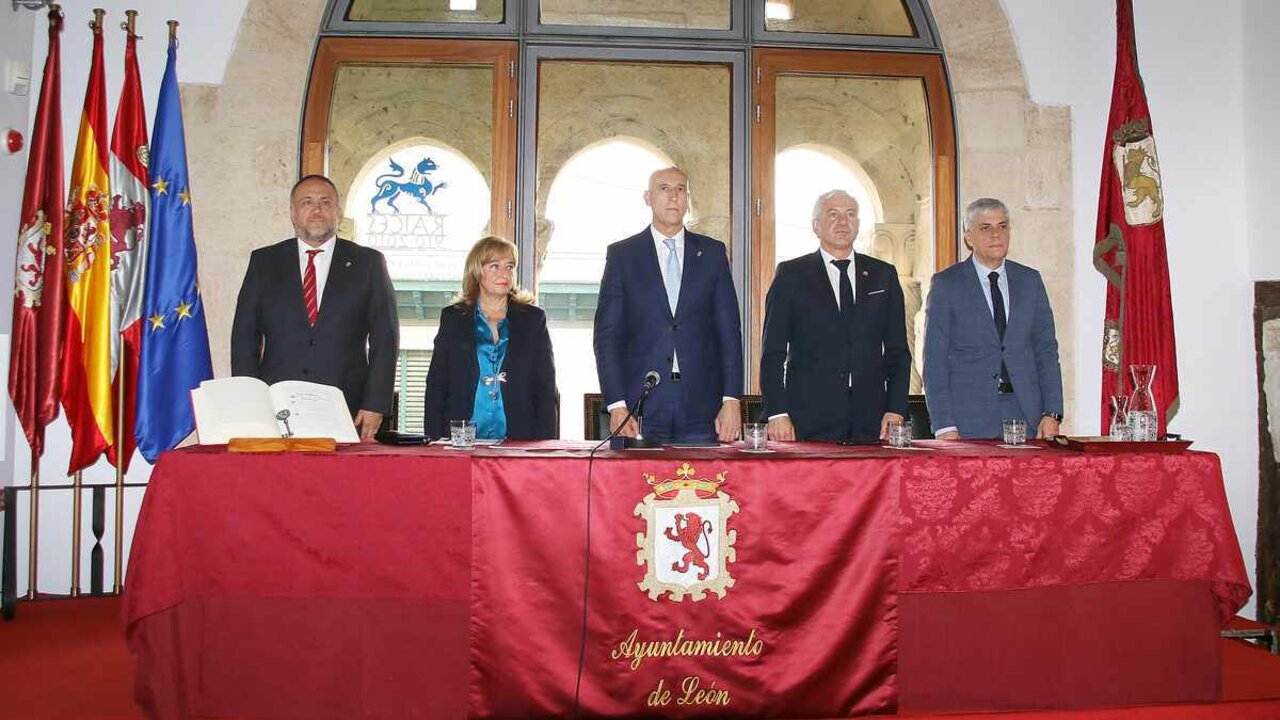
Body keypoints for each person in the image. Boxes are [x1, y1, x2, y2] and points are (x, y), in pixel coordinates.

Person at [230, 174, 398, 440]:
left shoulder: (369, 263)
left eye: (325, 202)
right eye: (307, 202)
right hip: (276, 405)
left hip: (347, 406)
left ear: (338, 212)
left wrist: (376, 404)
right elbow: (244, 337)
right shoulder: (264, 262)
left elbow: (385, 339)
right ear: (293, 213)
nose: (317, 209)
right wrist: (251, 401)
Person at [593, 166, 743, 444]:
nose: (673, 196)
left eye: (681, 189)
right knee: (636, 487)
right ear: (648, 198)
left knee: (703, 487)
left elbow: (729, 333)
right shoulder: (623, 255)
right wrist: (616, 404)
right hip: (639, 407)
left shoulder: (712, 253)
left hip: (703, 406)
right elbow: (607, 337)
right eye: (664, 189)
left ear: (688, 198)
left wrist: (732, 399)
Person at [760, 189, 910, 442]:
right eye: (833, 215)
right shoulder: (791, 275)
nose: (843, 222)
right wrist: (777, 412)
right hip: (807, 418)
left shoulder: (883, 274)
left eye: (850, 214)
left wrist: (895, 408)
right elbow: (773, 352)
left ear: (858, 224)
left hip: (871, 420)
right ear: (816, 226)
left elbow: (897, 350)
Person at [923, 197, 1064, 440]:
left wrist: (1052, 412)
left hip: (1027, 417)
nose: (996, 235)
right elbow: (934, 360)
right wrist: (944, 425)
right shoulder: (947, 284)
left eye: (1002, 226)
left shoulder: (1030, 281)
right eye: (985, 228)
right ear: (969, 237)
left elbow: (1046, 350)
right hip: (968, 419)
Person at [423, 236, 558, 440]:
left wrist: (546, 445)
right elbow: (437, 384)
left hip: (520, 440)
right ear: (477, 272)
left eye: (510, 267)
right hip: (460, 440)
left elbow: (546, 388)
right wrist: (433, 439)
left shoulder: (533, 320)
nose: (505, 273)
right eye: (495, 266)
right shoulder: (453, 319)